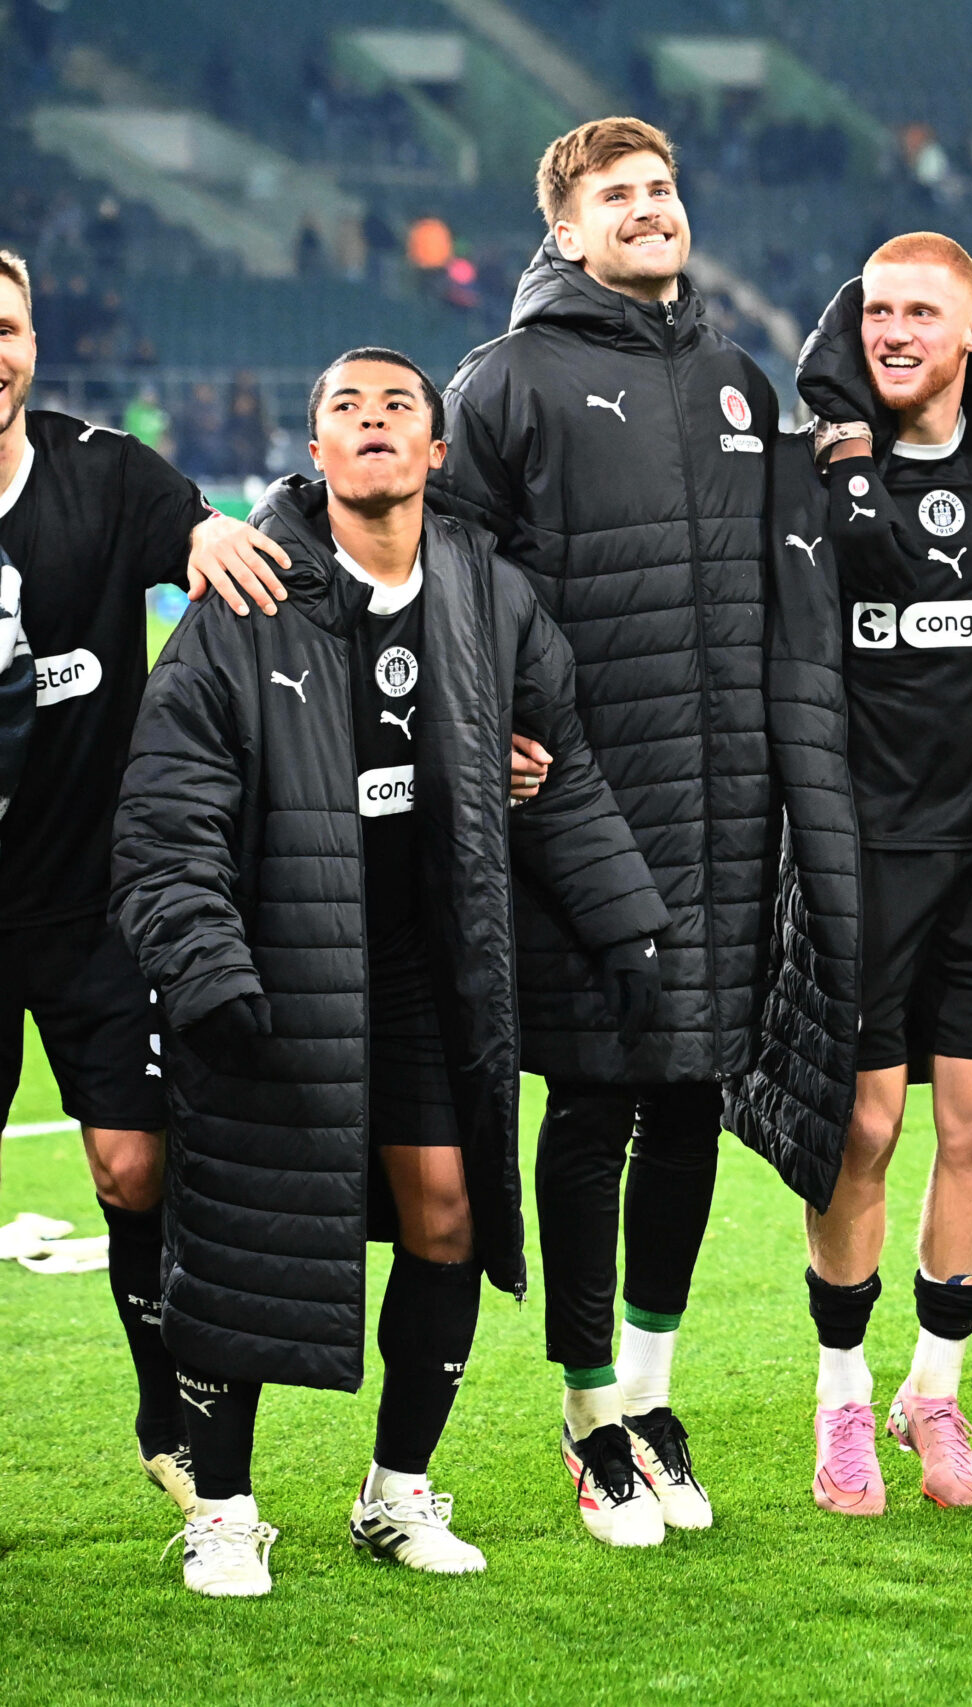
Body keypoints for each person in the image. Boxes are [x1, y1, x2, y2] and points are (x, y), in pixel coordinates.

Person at [114, 349, 667, 1596]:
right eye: (344, 411)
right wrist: (204, 963)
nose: (371, 424)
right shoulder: (244, 600)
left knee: (448, 1219)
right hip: (278, 960)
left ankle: (396, 1494)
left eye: (396, 408)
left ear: (434, 452)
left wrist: (622, 924)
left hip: (430, 967)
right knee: (253, 1238)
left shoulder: (488, 594)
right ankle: (223, 1508)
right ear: (314, 452)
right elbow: (167, 812)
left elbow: (555, 762)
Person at [729, 232, 972, 1512]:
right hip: (860, 858)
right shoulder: (814, 474)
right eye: (876, 309)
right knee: (862, 1130)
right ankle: (841, 1398)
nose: (893, 331)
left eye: (920, 313)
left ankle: (931, 1394)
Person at [435, 118, 775, 1537]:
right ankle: (586, 1418)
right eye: (617, 197)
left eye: (664, 190)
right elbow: (447, 567)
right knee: (592, 1104)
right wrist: (494, 736)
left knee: (691, 1094)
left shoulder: (735, 377)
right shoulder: (507, 379)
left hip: (729, 807)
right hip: (579, 803)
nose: (651, 210)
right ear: (565, 232)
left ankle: (648, 1394)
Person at [0, 247, 315, 1518]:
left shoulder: (97, 471)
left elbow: (200, 537)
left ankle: (166, 1410)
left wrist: (218, 542)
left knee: (137, 1171)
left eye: (7, 324)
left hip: (91, 906)